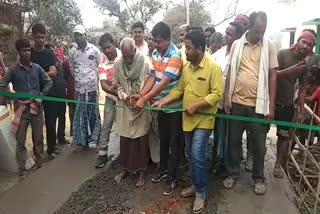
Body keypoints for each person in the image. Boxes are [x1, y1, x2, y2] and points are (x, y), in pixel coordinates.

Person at [153, 30, 222, 214]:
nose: (186, 51)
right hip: (188, 120)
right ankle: (196, 185)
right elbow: (178, 90)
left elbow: (217, 95)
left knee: (197, 154)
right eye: (185, 47)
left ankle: (200, 192)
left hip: (204, 120)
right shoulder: (188, 67)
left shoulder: (213, 68)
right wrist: (163, 101)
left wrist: (196, 106)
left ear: (199, 49)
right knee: (191, 156)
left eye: (189, 48)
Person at [223, 11, 278, 195]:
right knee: (233, 141)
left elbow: (272, 75)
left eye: (263, 31)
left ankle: (259, 177)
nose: (260, 34)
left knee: (259, 144)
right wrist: (226, 97)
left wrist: (271, 105)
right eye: (257, 31)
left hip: (259, 105)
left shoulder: (269, 46)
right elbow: (230, 71)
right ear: (249, 27)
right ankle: (232, 173)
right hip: (237, 101)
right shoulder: (237, 45)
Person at [132, 22, 183, 196]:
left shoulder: (175, 56)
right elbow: (153, 77)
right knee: (163, 140)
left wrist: (144, 100)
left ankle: (173, 178)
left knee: (174, 144)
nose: (156, 44)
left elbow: (163, 84)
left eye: (159, 41)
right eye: (154, 41)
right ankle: (163, 171)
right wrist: (140, 95)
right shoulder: (155, 53)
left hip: (175, 108)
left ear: (168, 39)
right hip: (161, 106)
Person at [0, 39, 52, 178]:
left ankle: (40, 162)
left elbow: (48, 81)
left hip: (36, 108)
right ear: (18, 52)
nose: (27, 53)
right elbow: (2, 85)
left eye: (29, 50)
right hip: (21, 110)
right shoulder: (12, 71)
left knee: (38, 138)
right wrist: (11, 96)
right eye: (24, 50)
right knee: (21, 141)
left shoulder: (37, 68)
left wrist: (41, 95)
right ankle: (22, 169)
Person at [274, 30, 316, 178]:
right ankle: (255, 161)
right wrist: (288, 71)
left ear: (312, 48)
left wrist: (300, 112)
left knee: (283, 136)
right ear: (298, 40)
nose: (305, 46)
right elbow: (271, 75)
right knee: (260, 132)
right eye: (304, 41)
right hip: (271, 102)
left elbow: (303, 88)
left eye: (309, 44)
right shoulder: (282, 54)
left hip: (287, 105)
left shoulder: (304, 65)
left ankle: (278, 164)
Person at [113, 38, 150, 187]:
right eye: (125, 55)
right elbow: (116, 85)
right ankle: (124, 169)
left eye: (130, 55)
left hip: (140, 105)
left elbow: (148, 84)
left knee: (141, 139)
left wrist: (138, 99)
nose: (128, 59)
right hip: (124, 105)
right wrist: (124, 97)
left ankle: (142, 172)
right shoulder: (117, 63)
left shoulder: (145, 63)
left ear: (135, 50)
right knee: (125, 140)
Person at [211, 22, 244, 175]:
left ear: (238, 37)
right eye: (226, 32)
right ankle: (216, 161)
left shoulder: (240, 54)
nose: (225, 36)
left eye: (230, 34)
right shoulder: (219, 52)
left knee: (228, 135)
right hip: (214, 99)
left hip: (229, 101)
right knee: (217, 132)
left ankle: (225, 164)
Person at [69, 25, 101, 151]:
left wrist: (92, 77)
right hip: (79, 89)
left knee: (94, 114)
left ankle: (98, 141)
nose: (78, 37)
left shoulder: (94, 50)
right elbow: (72, 70)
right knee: (80, 116)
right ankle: (82, 143)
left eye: (80, 34)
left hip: (92, 88)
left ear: (85, 35)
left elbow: (99, 66)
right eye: (76, 34)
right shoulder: (72, 52)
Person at [30, 23, 59, 159]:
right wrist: (46, 73)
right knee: (36, 125)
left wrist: (38, 74)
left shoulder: (49, 54)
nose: (41, 40)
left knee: (51, 122)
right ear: (33, 37)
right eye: (38, 37)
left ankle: (51, 149)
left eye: (43, 37)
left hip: (49, 93)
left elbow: (54, 72)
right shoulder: (28, 53)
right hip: (34, 94)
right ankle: (38, 153)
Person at [95, 33, 120, 168]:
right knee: (107, 124)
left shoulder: (125, 54)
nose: (107, 51)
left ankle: (124, 153)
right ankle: (102, 154)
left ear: (114, 43)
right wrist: (115, 93)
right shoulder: (102, 63)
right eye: (104, 49)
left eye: (109, 47)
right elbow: (104, 85)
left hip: (127, 96)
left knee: (127, 124)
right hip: (112, 96)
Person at [45, 44, 69, 145]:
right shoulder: (46, 65)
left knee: (62, 116)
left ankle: (61, 137)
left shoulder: (60, 62)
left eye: (53, 50)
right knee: (52, 118)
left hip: (62, 93)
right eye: (50, 51)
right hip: (51, 94)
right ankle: (52, 142)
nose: (52, 52)